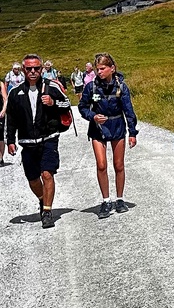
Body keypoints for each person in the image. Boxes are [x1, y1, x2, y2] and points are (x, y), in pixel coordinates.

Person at [5, 53, 72, 227]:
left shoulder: (52, 87)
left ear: (42, 69)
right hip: (27, 142)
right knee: (33, 179)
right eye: (29, 69)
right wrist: (10, 141)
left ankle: (47, 212)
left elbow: (67, 105)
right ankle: (43, 199)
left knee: (47, 174)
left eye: (36, 68)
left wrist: (53, 103)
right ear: (23, 70)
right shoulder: (15, 93)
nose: (33, 71)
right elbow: (10, 120)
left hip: (49, 138)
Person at [78, 53, 138, 218]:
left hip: (117, 126)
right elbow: (82, 107)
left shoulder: (121, 87)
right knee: (101, 165)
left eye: (103, 69)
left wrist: (132, 132)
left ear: (112, 68)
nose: (99, 72)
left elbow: (129, 111)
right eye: (97, 69)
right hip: (98, 128)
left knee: (119, 165)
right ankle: (106, 201)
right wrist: (93, 116)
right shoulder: (91, 87)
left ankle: (120, 199)